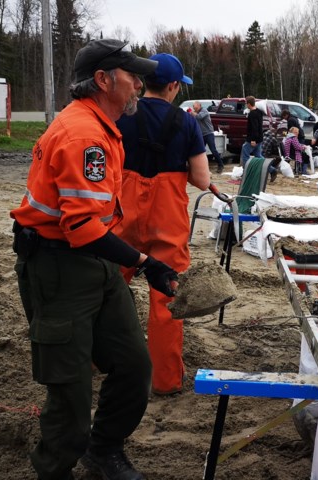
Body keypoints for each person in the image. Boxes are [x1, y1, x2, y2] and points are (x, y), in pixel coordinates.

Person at [10, 39, 179, 480]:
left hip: (93, 263)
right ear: (103, 81)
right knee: (70, 390)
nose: (140, 85)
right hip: (58, 268)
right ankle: (54, 469)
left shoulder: (102, 126)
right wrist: (146, 263)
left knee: (133, 366)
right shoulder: (83, 134)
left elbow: (94, 225)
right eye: (132, 77)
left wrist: (133, 261)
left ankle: (103, 450)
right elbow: (81, 226)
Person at [114, 53, 210, 398]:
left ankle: (98, 361)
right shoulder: (186, 123)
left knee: (106, 288)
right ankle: (166, 380)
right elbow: (201, 179)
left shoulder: (121, 115)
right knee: (167, 298)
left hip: (122, 215)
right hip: (167, 219)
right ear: (172, 86)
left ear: (142, 83)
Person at [192, 101, 224, 173]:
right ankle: (200, 167)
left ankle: (220, 164)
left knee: (213, 150)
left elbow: (199, 117)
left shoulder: (204, 111)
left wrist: (192, 113)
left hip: (209, 133)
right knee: (200, 151)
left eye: (195, 107)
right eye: (193, 107)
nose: (194, 109)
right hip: (201, 135)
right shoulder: (196, 112)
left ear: (199, 106)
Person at [240, 95, 263, 166]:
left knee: (245, 154)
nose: (246, 105)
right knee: (258, 156)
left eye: (246, 103)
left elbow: (254, 128)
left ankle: (246, 171)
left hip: (253, 139)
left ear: (249, 104)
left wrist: (253, 140)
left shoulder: (252, 114)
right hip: (259, 138)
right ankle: (271, 169)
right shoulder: (259, 112)